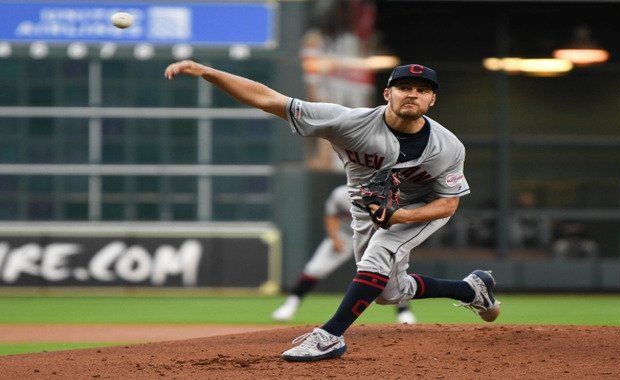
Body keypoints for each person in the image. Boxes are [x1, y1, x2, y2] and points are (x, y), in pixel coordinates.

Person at [164, 61, 501, 362]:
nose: (412, 94)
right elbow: (268, 100)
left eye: (422, 90)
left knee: (380, 253)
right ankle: (471, 289)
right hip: (366, 210)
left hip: (420, 208)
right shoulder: (347, 122)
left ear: (432, 101)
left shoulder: (447, 147)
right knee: (388, 294)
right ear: (387, 93)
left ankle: (329, 336)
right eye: (404, 87)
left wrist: (399, 217)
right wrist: (208, 72)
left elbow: (449, 203)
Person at [272, 184, 417, 324]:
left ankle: (403, 311)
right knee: (316, 269)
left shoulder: (388, 194)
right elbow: (332, 215)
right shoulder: (341, 194)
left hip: (379, 236)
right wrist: (334, 237)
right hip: (346, 236)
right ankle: (291, 304)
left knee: (393, 274)